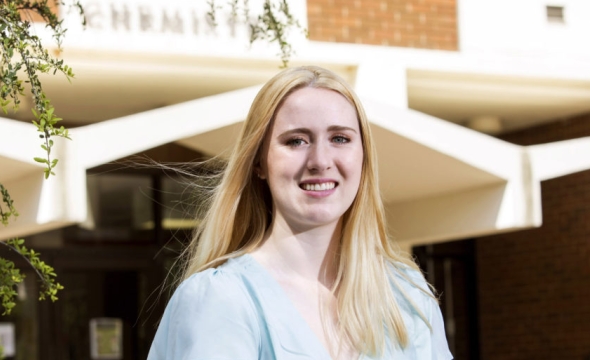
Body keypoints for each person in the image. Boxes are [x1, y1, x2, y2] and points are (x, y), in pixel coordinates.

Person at [147, 66, 452, 360]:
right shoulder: (223, 297)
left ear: (364, 156)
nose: (320, 160)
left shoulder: (407, 295)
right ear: (259, 163)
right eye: (296, 141)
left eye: (340, 139)